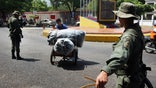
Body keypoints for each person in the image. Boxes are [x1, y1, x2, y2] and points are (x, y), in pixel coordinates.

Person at [96, 2, 145, 88]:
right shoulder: (136, 30)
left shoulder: (128, 36)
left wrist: (105, 72)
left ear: (123, 18)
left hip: (128, 80)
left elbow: (120, 56)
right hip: (137, 76)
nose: (118, 18)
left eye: (119, 16)